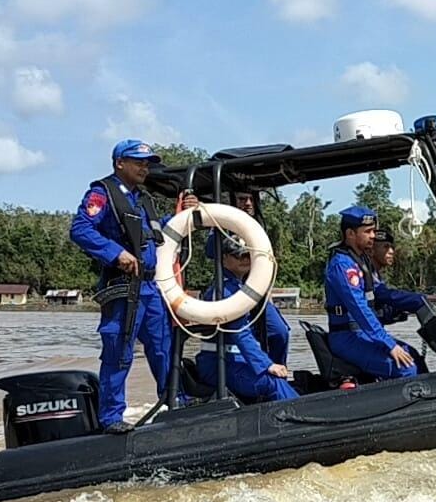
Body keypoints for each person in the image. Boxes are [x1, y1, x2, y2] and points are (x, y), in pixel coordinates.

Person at [70, 139, 197, 433]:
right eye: (138, 161)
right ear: (119, 163)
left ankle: (175, 400)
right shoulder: (102, 194)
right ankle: (112, 417)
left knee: (163, 345)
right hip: (123, 286)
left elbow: (158, 232)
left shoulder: (143, 198)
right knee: (119, 348)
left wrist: (185, 213)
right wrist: (115, 253)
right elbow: (80, 229)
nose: (144, 167)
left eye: (147, 162)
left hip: (151, 287)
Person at [195, 234, 299, 403]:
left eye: (247, 254)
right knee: (273, 383)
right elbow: (239, 333)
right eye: (239, 255)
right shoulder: (225, 291)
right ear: (224, 258)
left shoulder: (239, 287)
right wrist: (267, 365)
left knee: (277, 377)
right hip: (220, 365)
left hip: (235, 362)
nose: (245, 259)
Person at [324, 206, 425, 380]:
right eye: (368, 231)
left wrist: (420, 301)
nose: (373, 235)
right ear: (350, 234)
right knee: (407, 368)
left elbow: (380, 293)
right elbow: (360, 309)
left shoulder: (360, 261)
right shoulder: (342, 265)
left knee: (414, 356)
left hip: (362, 333)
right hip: (348, 337)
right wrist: (389, 344)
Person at [230, 190, 290, 365]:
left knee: (280, 332)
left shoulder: (259, 229)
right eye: (242, 199)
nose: (248, 203)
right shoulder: (222, 226)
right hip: (232, 292)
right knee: (243, 336)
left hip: (258, 293)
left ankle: (279, 371)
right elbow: (211, 252)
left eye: (251, 199)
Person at [369, 226, 427, 325]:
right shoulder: (366, 274)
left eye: (392, 247)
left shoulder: (375, 274)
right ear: (371, 251)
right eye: (386, 247)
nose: (391, 251)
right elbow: (387, 296)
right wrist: (427, 298)